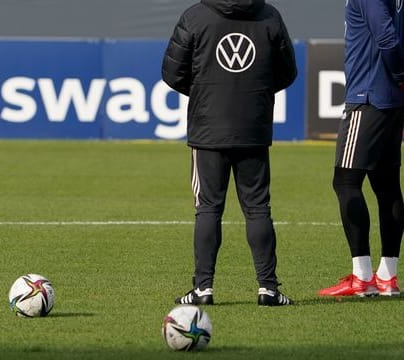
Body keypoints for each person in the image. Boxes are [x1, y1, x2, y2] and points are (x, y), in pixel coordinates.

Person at [162, 0, 297, 306]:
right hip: (253, 128)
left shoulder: (195, 16)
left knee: (208, 208)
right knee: (258, 208)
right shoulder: (269, 15)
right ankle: (268, 290)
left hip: (208, 129)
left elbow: (172, 72)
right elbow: (287, 72)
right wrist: (254, 93)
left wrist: (204, 94)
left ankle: (203, 289)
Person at [318, 0, 404, 297]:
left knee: (345, 181)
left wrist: (401, 75)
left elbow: (386, 37)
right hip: (390, 100)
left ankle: (362, 277)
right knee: (387, 185)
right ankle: (387, 277)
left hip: (367, 96)